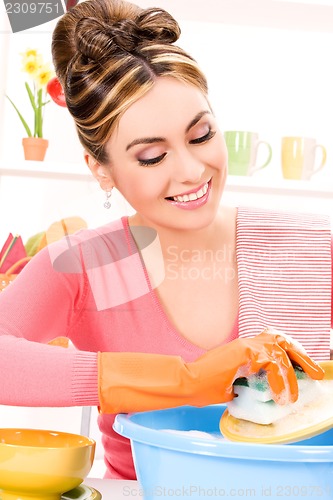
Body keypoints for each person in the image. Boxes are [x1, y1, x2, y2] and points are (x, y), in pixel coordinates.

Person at [0, 0, 331, 480]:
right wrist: (188, 381)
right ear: (102, 170)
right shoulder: (88, 268)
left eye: (201, 134)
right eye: (152, 156)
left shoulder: (301, 249)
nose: (192, 171)